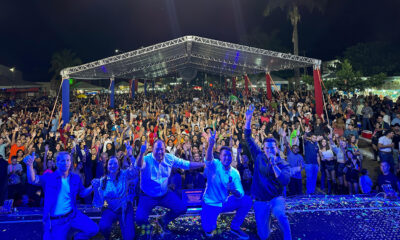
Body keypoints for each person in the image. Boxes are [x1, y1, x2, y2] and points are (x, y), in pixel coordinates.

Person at [135, 139, 205, 238]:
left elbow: (186, 164)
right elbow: (138, 166)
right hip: (147, 196)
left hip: (164, 194)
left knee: (181, 208)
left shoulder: (169, 158)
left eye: (162, 149)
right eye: (157, 149)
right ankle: (149, 227)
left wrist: (203, 164)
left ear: (165, 149)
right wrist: (141, 153)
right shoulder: (146, 159)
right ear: (152, 149)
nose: (160, 152)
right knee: (139, 219)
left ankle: (162, 220)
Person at [26, 151, 99, 240]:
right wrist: (29, 165)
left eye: (68, 160)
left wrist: (92, 187)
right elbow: (32, 180)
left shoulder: (75, 178)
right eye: (63, 161)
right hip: (56, 221)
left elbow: (83, 193)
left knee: (93, 229)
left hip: (73, 215)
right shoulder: (49, 177)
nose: (66, 163)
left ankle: (76, 238)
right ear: (57, 163)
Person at [244, 105, 292, 240]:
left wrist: (274, 163)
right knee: (264, 236)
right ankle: (266, 225)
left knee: (280, 214)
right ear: (263, 148)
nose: (269, 150)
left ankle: (288, 237)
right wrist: (248, 119)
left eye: (272, 147)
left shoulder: (283, 163)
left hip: (276, 198)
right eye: (267, 148)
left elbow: (284, 181)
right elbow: (248, 137)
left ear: (276, 148)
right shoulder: (258, 155)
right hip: (260, 200)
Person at [201, 131, 252, 239]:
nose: (227, 158)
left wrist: (234, 191)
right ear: (220, 156)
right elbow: (208, 158)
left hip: (224, 202)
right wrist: (210, 144)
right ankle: (209, 224)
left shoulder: (235, 172)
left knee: (246, 200)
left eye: (229, 156)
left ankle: (235, 227)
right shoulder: (214, 165)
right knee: (209, 229)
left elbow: (240, 194)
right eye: (224, 155)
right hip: (211, 203)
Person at [95, 142, 144, 240]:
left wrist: (130, 155)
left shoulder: (125, 174)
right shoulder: (103, 180)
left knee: (129, 237)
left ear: (119, 165)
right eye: (110, 163)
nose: (113, 165)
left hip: (125, 209)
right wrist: (96, 190)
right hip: (110, 209)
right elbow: (99, 200)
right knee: (103, 226)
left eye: (115, 163)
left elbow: (135, 171)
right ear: (107, 166)